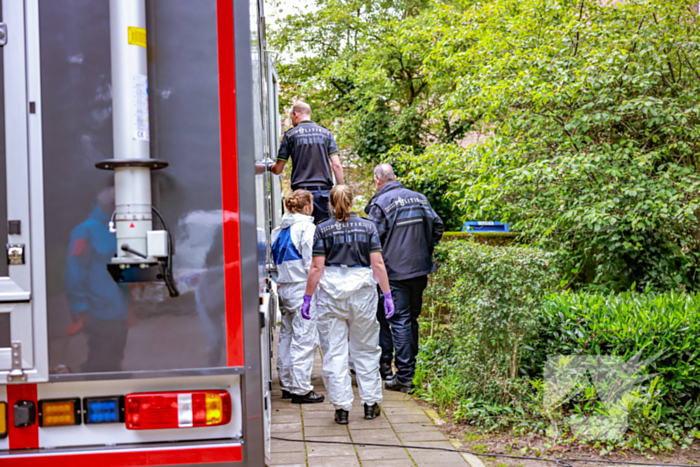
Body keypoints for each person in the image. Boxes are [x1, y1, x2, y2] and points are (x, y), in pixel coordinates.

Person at [301, 185, 395, 425]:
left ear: (330, 204)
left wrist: (308, 297)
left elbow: (316, 267)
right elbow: (378, 265)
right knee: (365, 349)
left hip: (331, 296)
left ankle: (342, 409)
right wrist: (387, 294)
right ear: (352, 202)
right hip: (362, 294)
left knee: (334, 352)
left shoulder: (322, 229)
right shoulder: (368, 226)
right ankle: (370, 404)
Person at [365, 163, 444, 393]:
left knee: (399, 321)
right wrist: (426, 248)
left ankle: (405, 377)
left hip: (394, 273)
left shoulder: (379, 204)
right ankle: (411, 370)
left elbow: (371, 239)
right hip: (420, 268)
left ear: (377, 181)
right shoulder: (419, 198)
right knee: (412, 319)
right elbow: (437, 225)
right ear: (395, 177)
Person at [64, 184, 130, 373]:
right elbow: (74, 271)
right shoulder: (85, 230)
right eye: (109, 188)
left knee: (115, 358)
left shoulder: (123, 229)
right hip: (98, 312)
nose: (114, 193)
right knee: (101, 361)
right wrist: (80, 307)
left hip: (119, 313)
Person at [271, 190, 324, 404]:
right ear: (308, 206)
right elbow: (311, 264)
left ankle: (286, 383)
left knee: (286, 336)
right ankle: (301, 388)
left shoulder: (278, 231)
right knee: (304, 338)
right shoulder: (307, 228)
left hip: (284, 287)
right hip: (302, 288)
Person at [270, 102, 344, 224]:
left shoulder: (290, 135)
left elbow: (278, 169)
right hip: (323, 195)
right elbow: (336, 165)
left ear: (295, 114)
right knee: (324, 234)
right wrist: (340, 189)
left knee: (301, 233)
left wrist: (268, 167)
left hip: (301, 196)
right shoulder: (326, 134)